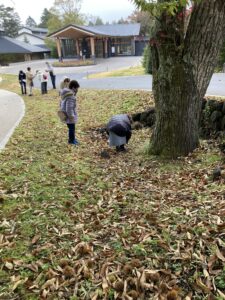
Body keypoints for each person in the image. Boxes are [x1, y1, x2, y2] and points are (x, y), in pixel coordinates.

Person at [60, 80, 80, 145]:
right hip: (69, 116)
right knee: (72, 129)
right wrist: (72, 117)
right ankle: (71, 141)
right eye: (77, 88)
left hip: (66, 114)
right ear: (74, 87)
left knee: (71, 128)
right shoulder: (70, 96)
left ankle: (72, 138)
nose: (77, 90)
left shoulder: (66, 94)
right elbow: (69, 108)